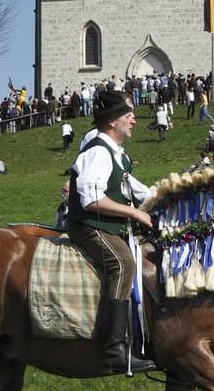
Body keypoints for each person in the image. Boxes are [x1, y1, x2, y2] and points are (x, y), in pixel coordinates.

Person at [66, 88, 156, 374]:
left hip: (105, 225)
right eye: (128, 116)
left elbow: (136, 189)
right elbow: (91, 200)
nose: (134, 120)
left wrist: (166, 196)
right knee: (123, 263)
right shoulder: (97, 152)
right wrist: (135, 212)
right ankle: (114, 349)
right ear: (112, 122)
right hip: (88, 226)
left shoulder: (117, 155)